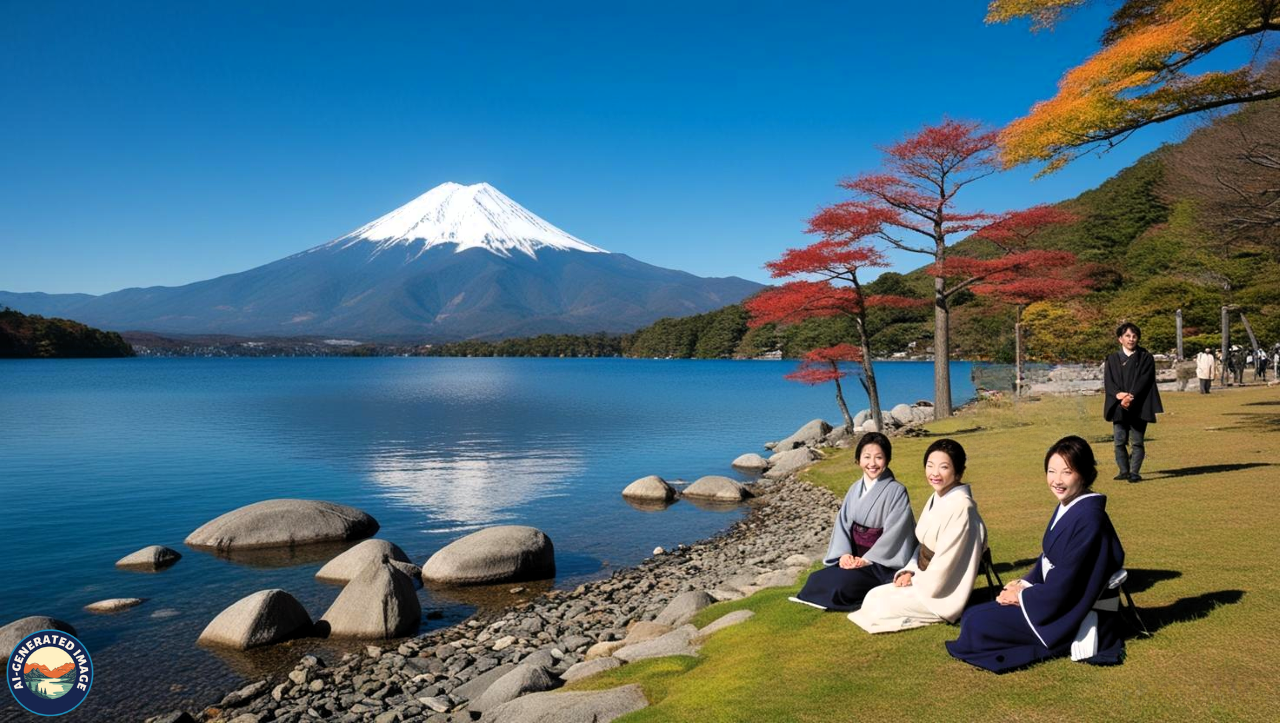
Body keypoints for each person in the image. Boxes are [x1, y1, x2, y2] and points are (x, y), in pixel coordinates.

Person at [945, 436, 1126, 672]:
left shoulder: (1090, 518)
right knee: (972, 615)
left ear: (1084, 473)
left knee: (977, 623)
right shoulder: (1070, 505)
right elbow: (1048, 560)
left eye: (1066, 472)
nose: (1057, 481)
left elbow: (1069, 585)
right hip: (1048, 599)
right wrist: (1024, 582)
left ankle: (1063, 640)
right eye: (1051, 471)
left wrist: (1021, 597)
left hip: (1064, 612)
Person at [848, 438, 987, 633]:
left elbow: (946, 564)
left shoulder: (963, 507)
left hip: (939, 590)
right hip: (922, 575)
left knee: (879, 606)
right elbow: (921, 545)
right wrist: (909, 571)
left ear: (958, 472)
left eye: (944, 467)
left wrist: (915, 581)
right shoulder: (938, 496)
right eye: (930, 466)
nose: (935, 473)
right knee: (872, 596)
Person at [789, 433, 916, 611]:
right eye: (867, 457)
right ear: (858, 460)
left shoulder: (897, 491)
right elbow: (843, 525)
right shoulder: (855, 488)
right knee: (814, 580)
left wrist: (867, 560)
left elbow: (896, 533)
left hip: (879, 563)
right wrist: (844, 555)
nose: (872, 463)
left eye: (879, 457)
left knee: (840, 587)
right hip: (853, 558)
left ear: (887, 459)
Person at [1103, 322, 1163, 483]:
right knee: (1119, 441)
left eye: (1134, 336)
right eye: (1128, 336)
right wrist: (1118, 395)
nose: (1131, 339)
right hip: (1118, 404)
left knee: (1137, 441)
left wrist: (1131, 396)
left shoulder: (1145, 357)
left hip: (1139, 404)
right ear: (1120, 339)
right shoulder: (1112, 359)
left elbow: (1145, 379)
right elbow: (1108, 381)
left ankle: (1135, 472)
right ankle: (1123, 470)